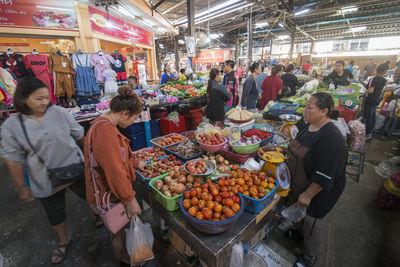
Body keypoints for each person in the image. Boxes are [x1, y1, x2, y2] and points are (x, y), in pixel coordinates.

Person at [1, 77, 86, 264]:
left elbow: (80, 136)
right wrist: (22, 187)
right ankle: (64, 240)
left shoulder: (60, 112)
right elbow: (13, 159)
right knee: (55, 212)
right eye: (38, 98)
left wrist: (92, 159)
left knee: (91, 196)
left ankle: (99, 215)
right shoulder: (12, 126)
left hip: (74, 167)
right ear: (23, 99)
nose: (44, 102)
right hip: (43, 177)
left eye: (46, 97)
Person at [84, 86, 146, 265]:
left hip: (111, 190)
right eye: (134, 118)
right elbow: (114, 169)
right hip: (109, 193)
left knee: (121, 228)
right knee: (119, 229)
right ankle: (126, 260)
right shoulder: (104, 131)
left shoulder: (106, 124)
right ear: (125, 113)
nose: (134, 122)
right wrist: (129, 199)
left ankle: (127, 256)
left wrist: (136, 163)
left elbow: (117, 156)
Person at [286, 92, 347, 267]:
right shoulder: (309, 125)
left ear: (324, 111)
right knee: (300, 213)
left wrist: (308, 194)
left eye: (309, 107)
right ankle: (300, 235)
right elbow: (296, 146)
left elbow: (326, 173)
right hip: (303, 179)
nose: (305, 110)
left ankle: (309, 256)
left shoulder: (332, 138)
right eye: (305, 105)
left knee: (313, 220)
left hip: (322, 189)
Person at [359, 63, 389, 139]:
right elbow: (371, 87)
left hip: (370, 100)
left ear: (376, 70)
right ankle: (370, 133)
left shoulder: (374, 78)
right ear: (385, 71)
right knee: (372, 116)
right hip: (377, 99)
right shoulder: (384, 80)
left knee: (367, 117)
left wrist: (363, 93)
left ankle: (367, 134)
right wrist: (361, 81)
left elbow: (370, 90)